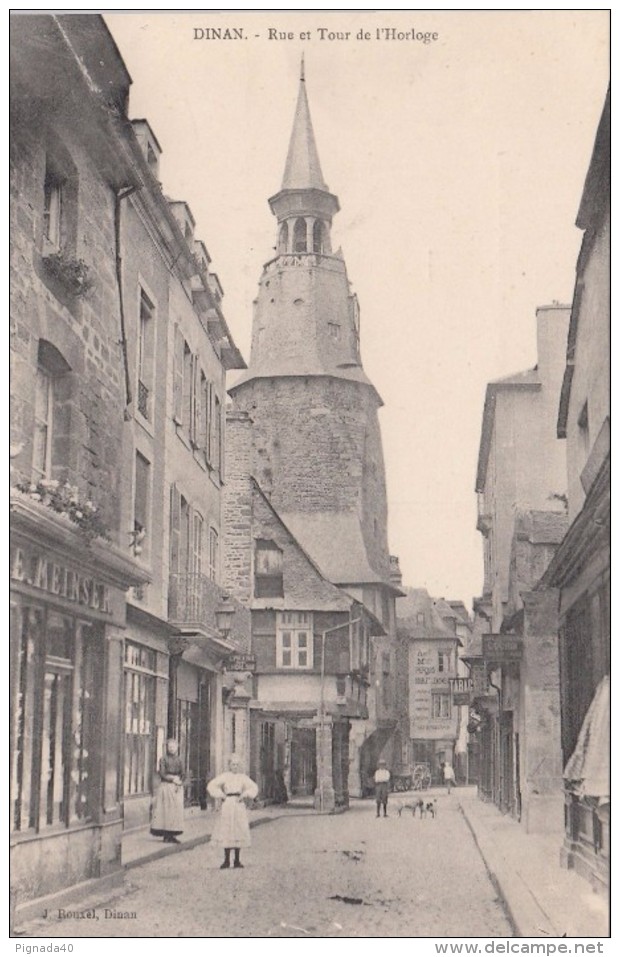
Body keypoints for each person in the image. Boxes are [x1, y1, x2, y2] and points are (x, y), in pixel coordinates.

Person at [207, 754, 259, 869]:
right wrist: (221, 795)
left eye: (237, 765)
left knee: (238, 830)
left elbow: (254, 787)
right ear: (229, 765)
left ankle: (237, 860)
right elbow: (211, 785)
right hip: (228, 804)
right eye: (233, 764)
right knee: (227, 830)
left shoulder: (242, 777)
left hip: (238, 804)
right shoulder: (225, 776)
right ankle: (226, 860)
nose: (235, 767)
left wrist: (244, 794)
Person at [150, 739, 184, 844]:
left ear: (177, 747)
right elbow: (162, 773)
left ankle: (172, 834)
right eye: (170, 746)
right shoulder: (163, 759)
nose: (171, 748)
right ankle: (166, 835)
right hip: (166, 787)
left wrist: (180, 781)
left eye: (173, 746)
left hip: (176, 787)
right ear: (167, 747)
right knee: (165, 811)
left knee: (175, 812)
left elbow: (183, 773)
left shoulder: (179, 760)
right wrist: (171, 778)